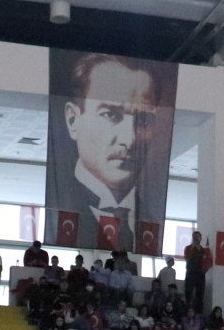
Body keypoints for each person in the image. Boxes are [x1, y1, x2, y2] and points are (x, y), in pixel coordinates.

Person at [50, 53, 168, 248]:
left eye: (143, 120)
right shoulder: (55, 207)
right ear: (73, 120)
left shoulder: (152, 221)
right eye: (111, 115)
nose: (129, 139)